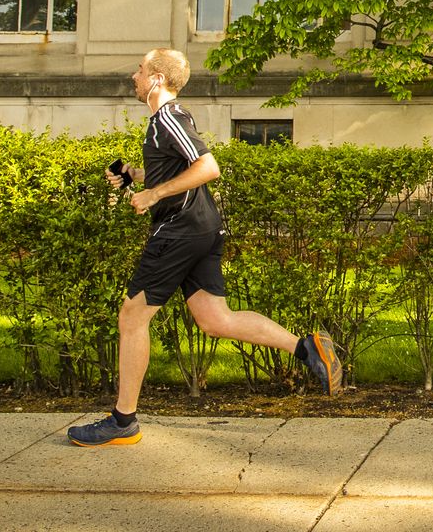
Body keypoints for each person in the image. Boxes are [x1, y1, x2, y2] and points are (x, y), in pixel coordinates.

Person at [68, 47, 341, 447]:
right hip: (200, 227)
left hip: (180, 230)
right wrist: (134, 175)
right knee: (216, 320)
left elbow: (207, 167)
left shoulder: (169, 117)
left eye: (140, 69)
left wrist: (153, 194)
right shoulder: (164, 123)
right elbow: (177, 167)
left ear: (157, 79)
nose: (134, 75)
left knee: (131, 317)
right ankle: (307, 348)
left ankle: (123, 420)